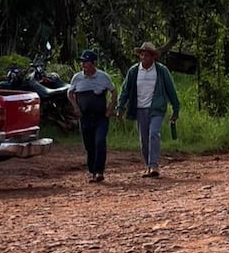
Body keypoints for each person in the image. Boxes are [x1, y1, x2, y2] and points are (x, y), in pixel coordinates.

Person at [116, 42, 180, 178]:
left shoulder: (161, 71)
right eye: (142, 55)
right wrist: (120, 107)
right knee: (144, 140)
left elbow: (171, 90)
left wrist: (176, 109)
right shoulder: (133, 71)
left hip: (156, 108)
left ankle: (154, 165)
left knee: (154, 133)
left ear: (153, 57)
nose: (143, 57)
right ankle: (148, 166)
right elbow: (125, 90)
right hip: (140, 109)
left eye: (147, 55)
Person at [68, 50, 117, 183]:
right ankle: (92, 170)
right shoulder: (77, 78)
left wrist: (110, 109)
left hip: (100, 116)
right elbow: (70, 93)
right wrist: (76, 107)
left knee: (99, 141)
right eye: (83, 62)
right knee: (89, 145)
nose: (84, 64)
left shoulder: (103, 77)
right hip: (85, 117)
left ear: (94, 63)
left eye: (87, 62)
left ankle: (99, 171)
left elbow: (114, 92)